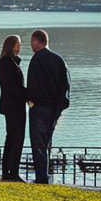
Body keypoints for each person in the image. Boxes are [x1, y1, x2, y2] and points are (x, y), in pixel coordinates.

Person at [24, 28, 70, 184]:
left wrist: (30, 101)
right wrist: (58, 108)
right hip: (53, 109)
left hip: (38, 108)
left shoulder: (36, 59)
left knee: (38, 144)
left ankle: (41, 177)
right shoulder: (58, 59)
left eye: (32, 42)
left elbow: (32, 84)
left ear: (38, 41)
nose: (31, 45)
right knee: (47, 142)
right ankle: (46, 175)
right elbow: (65, 86)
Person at [0, 34, 29, 182]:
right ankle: (12, 172)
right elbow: (15, 88)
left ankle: (8, 171)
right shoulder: (7, 64)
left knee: (11, 138)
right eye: (17, 44)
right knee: (16, 138)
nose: (19, 47)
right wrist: (28, 95)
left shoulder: (7, 63)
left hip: (12, 105)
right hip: (14, 106)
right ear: (11, 45)